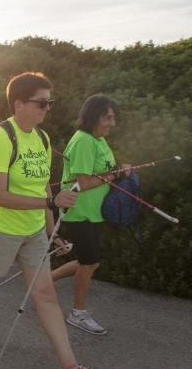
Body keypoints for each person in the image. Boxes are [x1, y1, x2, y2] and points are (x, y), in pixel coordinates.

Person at [0, 72, 118, 369]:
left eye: (49, 103)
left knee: (45, 296)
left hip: (32, 232)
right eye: (41, 102)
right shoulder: (0, 137)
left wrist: (49, 228)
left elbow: (42, 186)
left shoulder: (41, 139)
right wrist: (48, 201)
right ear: (19, 103)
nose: (47, 108)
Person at [50, 94, 132, 335]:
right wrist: (114, 175)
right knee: (89, 262)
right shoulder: (84, 141)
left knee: (86, 259)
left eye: (113, 118)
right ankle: (77, 313)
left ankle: (43, 283)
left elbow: (106, 170)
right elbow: (83, 182)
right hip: (80, 212)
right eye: (108, 117)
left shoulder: (100, 140)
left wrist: (122, 169)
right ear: (93, 116)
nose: (112, 123)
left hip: (95, 213)